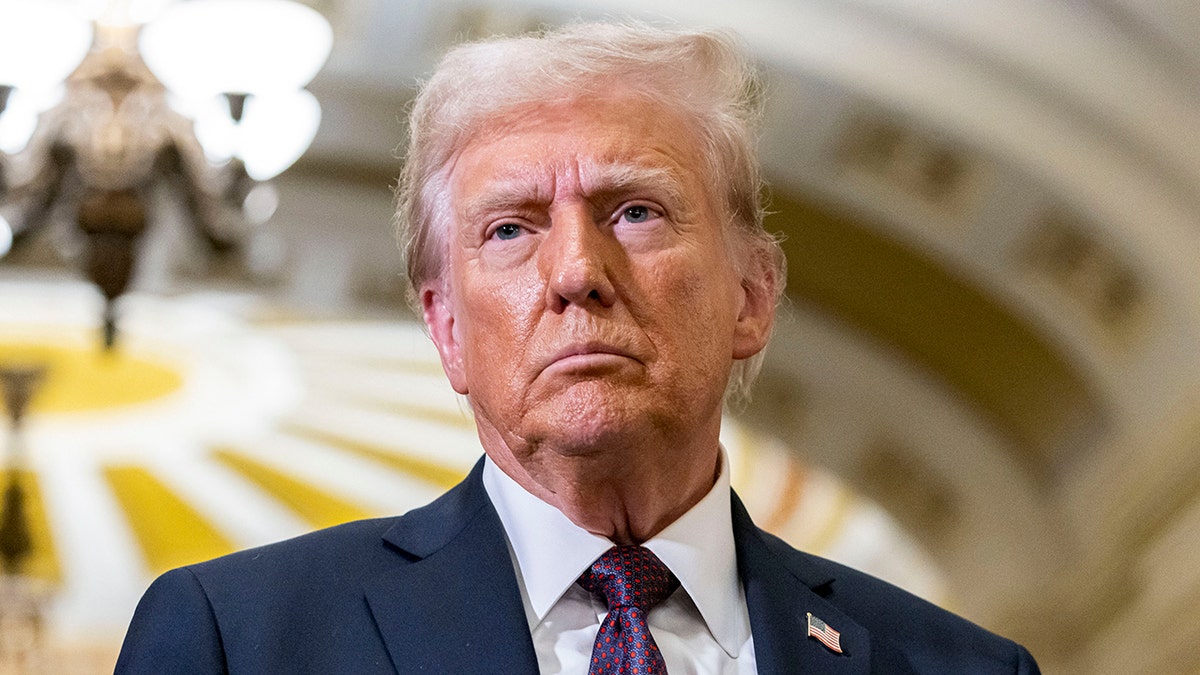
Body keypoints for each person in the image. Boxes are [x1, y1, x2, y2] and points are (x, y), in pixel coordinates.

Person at [116, 22, 1040, 674]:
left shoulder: (958, 667)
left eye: (635, 211)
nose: (575, 270)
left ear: (753, 296)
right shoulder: (240, 640)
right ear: (447, 330)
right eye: (511, 228)